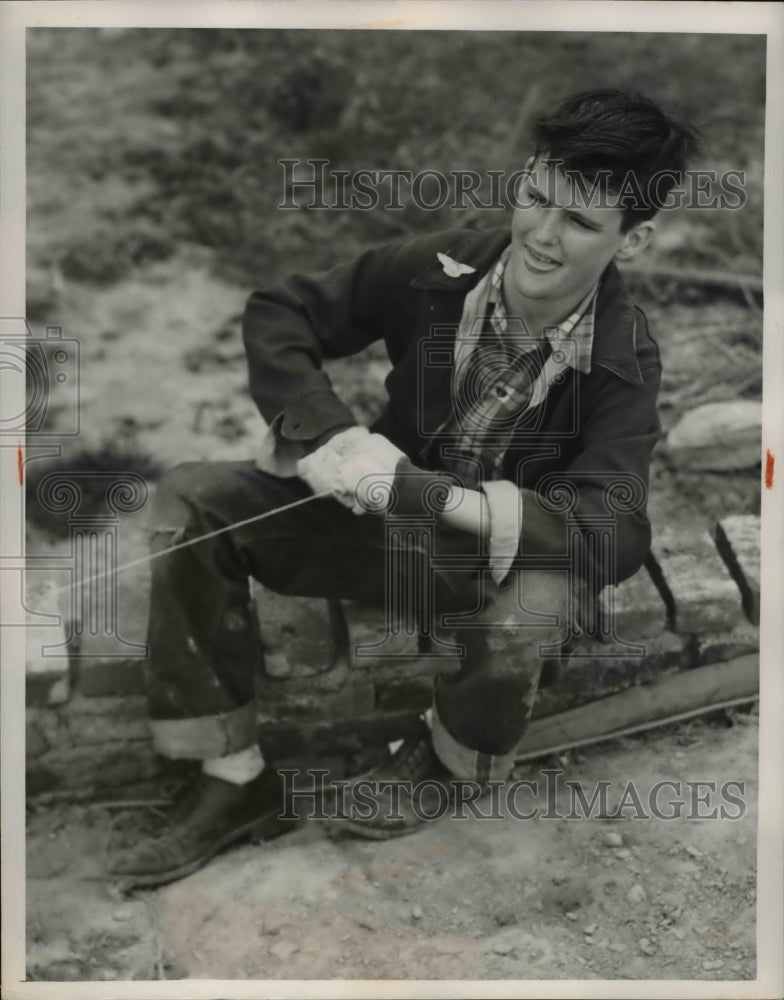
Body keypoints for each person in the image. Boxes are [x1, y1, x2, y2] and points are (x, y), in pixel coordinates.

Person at [110, 88, 699, 888]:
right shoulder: (442, 267)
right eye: (535, 198)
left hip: (482, 574)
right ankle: (232, 778)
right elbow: (281, 311)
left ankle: (448, 760)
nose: (541, 236)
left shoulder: (625, 355)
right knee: (188, 502)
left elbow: (617, 527)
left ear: (636, 238)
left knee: (534, 612)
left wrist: (430, 496)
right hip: (374, 528)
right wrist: (325, 435)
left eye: (582, 223)